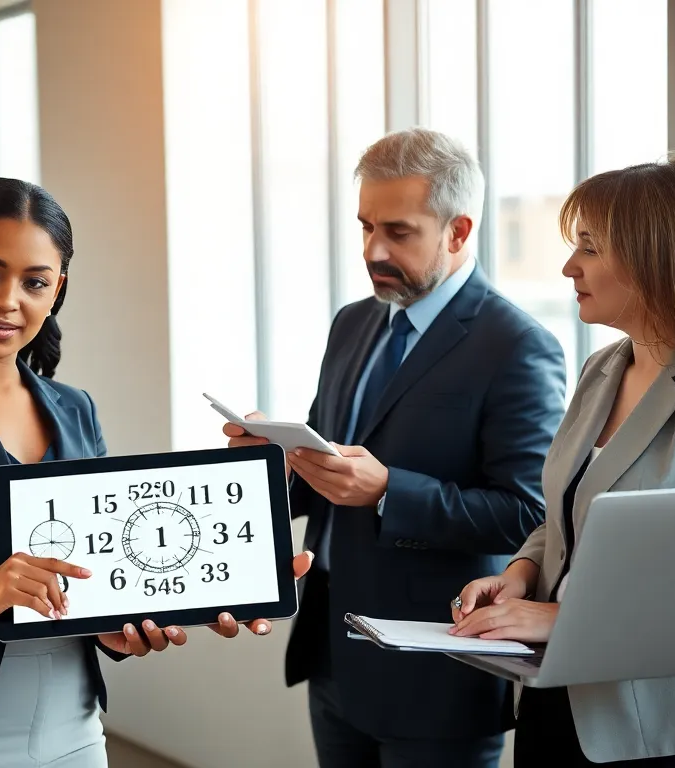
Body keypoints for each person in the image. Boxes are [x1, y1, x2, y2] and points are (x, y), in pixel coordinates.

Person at [0, 178, 311, 767]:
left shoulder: (75, 407)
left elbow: (99, 572)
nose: (7, 300)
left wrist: (148, 617)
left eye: (35, 282)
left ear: (58, 290)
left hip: (73, 723)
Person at [225, 128, 567, 767]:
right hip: (333, 651)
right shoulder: (353, 323)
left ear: (458, 232)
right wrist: (272, 458)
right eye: (364, 227)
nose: (372, 249)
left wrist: (388, 491)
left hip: (438, 668)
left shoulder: (517, 346)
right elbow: (328, 471)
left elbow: (529, 515)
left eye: (398, 232)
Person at [449, 152, 675, 766]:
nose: (568, 266)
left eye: (589, 248)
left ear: (654, 257)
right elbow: (565, 515)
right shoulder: (602, 368)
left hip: (657, 723)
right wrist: (520, 575)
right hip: (554, 698)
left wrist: (561, 615)